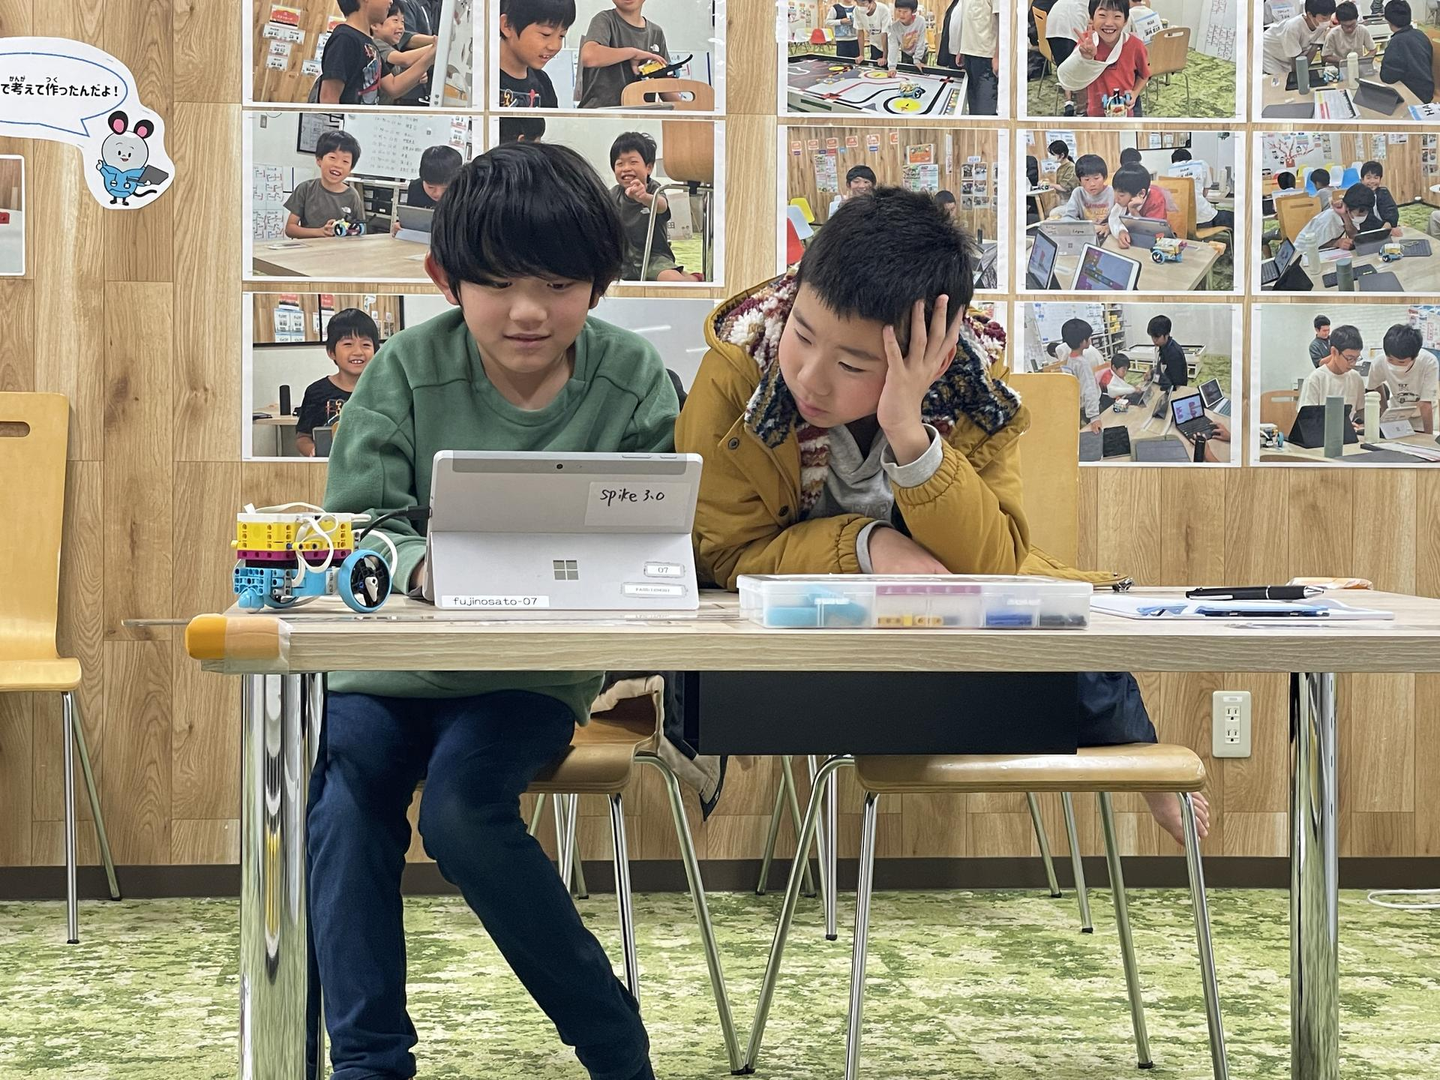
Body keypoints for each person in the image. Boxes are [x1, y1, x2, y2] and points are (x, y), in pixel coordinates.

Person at [673, 186, 1207, 846]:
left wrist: (909, 432)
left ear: (936, 358)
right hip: (793, 631)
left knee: (1064, 640)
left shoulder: (972, 393)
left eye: (852, 364)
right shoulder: (740, 368)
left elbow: (994, 562)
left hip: (930, 631)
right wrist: (868, 547)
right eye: (802, 335)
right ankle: (1119, 737)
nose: (809, 376)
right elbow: (727, 554)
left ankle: (1133, 747)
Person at [314, 142, 677, 1080]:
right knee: (346, 805)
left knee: (464, 814)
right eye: (499, 282)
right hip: (387, 675)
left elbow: (658, 535)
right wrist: (420, 565)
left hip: (529, 676)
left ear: (598, 282)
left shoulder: (632, 376)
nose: (528, 311)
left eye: (558, 284)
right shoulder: (403, 369)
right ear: (448, 278)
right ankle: (369, 1061)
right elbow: (358, 528)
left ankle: (613, 1043)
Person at [296, 308, 378, 457]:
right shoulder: (316, 392)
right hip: (329, 466)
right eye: (348, 344)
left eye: (366, 345)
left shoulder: (385, 389)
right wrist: (313, 451)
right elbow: (303, 438)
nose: (358, 352)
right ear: (331, 352)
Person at [609, 131, 689, 282]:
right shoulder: (612, 195)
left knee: (673, 280)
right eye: (620, 164)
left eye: (633, 162)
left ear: (649, 168)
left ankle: (692, 279)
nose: (626, 168)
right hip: (624, 261)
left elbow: (662, 206)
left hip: (655, 258)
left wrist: (644, 197)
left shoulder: (654, 189)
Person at [1058, 0, 1151, 118]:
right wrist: (1085, 58)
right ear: (1091, 18)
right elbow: (1072, 78)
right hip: (1094, 114)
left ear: (1125, 21)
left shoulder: (1136, 46)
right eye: (1102, 15)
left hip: (1125, 113)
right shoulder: (1087, 43)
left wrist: (1134, 93)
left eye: (1117, 16)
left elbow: (1144, 75)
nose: (1109, 23)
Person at [577, 0, 675, 109]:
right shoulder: (604, 20)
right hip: (601, 113)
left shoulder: (656, 32)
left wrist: (687, 108)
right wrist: (632, 53)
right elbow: (589, 57)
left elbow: (664, 85)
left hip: (640, 114)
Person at [284, 130, 367, 238]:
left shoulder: (352, 196)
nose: (338, 165)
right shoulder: (306, 189)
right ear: (319, 160)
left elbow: (360, 231)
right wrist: (320, 232)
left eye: (345, 161)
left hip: (339, 248)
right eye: (332, 158)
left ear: (350, 169)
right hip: (310, 247)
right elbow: (290, 229)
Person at [498, 0, 572, 108]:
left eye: (561, 36)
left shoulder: (543, 82)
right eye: (546, 34)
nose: (555, 46)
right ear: (507, 25)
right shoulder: (482, 81)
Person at [1369, 324, 1438, 433]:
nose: (1395, 365)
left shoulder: (1429, 362)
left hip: (1422, 418)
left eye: (1401, 362)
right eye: (1390, 360)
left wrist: (1428, 436)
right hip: (1397, 415)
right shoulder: (1379, 362)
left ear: (1415, 357)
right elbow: (1374, 385)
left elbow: (1425, 403)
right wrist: (1385, 411)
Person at [317, 0, 387, 105]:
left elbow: (393, 86)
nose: (391, 1)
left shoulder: (368, 42)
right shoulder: (344, 38)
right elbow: (328, 97)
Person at [1299, 323, 1366, 427]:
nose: (1353, 364)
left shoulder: (1356, 378)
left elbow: (1361, 412)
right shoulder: (1315, 379)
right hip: (1320, 433)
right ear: (1334, 352)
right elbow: (1306, 421)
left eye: (1356, 358)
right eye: (1349, 358)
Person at [941, 0, 1001, 115]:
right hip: (968, 55)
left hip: (986, 57)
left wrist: (997, 56)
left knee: (985, 109)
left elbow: (1003, 23)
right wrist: (961, 49)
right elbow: (967, 20)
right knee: (973, 106)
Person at [371, 1, 437, 105]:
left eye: (402, 22)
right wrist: (436, 47)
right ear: (375, 25)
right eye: (395, 20)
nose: (401, 26)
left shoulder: (392, 45)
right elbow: (404, 59)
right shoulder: (376, 44)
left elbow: (398, 86)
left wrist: (415, 79)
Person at [1108, 162, 1176, 249]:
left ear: (1141, 193)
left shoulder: (1155, 200)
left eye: (1121, 195)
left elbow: (1152, 233)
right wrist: (1121, 231)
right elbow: (1114, 220)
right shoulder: (1122, 200)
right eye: (1114, 192)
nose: (1116, 199)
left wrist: (1134, 211)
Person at [1295, 183, 1382, 250]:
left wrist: (1345, 217)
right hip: (1303, 252)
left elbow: (1353, 236)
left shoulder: (1349, 213)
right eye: (1359, 214)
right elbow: (1313, 245)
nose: (1362, 217)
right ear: (1348, 209)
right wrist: (1336, 243)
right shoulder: (1328, 219)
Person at [1261, 0, 1336, 76]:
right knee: (1279, 79)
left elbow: (1313, 49)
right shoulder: (1293, 27)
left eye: (1329, 17)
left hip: (1288, 55)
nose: (1327, 21)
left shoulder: (1320, 25)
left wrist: (1304, 71)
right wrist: (1299, 75)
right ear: (1309, 14)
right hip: (1270, 53)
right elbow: (1295, 62)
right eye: (1324, 18)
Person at [1380, 1, 1435, 103]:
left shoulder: (1396, 42)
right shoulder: (1421, 35)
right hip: (1427, 91)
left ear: (1388, 21)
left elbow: (1387, 77)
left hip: (1411, 95)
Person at [1044, 0, 1092, 115]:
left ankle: (1068, 102)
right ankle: (1081, 109)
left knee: (1065, 66)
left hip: (1053, 26)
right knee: (1083, 66)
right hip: (1072, 24)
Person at [1169, 147, 1234, 230]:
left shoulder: (1170, 171)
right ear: (1190, 159)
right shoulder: (1201, 164)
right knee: (1233, 217)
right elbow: (1205, 193)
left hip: (1180, 223)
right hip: (1203, 219)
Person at [1055, 153, 1116, 236]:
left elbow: (1121, 218)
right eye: (1086, 179)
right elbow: (1067, 218)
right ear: (1080, 180)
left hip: (1107, 234)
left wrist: (1109, 227)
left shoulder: (1113, 192)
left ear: (1104, 177)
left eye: (1096, 178)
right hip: (1085, 234)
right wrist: (1086, 228)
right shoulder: (1078, 193)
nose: (1092, 184)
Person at [1060, 317, 1105, 429]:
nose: (1090, 339)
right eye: (1089, 337)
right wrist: (1094, 417)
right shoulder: (1083, 364)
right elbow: (1089, 390)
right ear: (1083, 341)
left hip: (1081, 406)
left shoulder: (1070, 358)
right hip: (1090, 408)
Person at [886, 0, 930, 74]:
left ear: (913, 11)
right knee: (906, 73)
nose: (901, 14)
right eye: (899, 11)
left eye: (905, 11)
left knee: (920, 74)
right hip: (906, 52)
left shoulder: (920, 21)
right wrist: (892, 67)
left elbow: (921, 42)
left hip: (921, 52)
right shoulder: (894, 27)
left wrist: (917, 59)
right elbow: (893, 46)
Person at [1360, 159, 1403, 234]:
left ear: (1380, 179)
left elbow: (1392, 212)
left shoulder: (1384, 192)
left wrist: (1389, 224)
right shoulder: (1359, 196)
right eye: (1368, 178)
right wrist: (1382, 228)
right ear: (1362, 180)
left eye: (1376, 178)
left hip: (1386, 229)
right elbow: (1366, 219)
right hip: (1367, 233)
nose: (1372, 181)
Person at [1148, 314, 1187, 389]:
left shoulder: (1174, 353)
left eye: (1157, 337)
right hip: (1165, 382)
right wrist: (1152, 372)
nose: (1154, 340)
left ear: (1167, 335)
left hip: (1174, 389)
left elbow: (1176, 383)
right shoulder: (1163, 346)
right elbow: (1162, 367)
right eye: (1152, 336)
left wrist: (1154, 377)